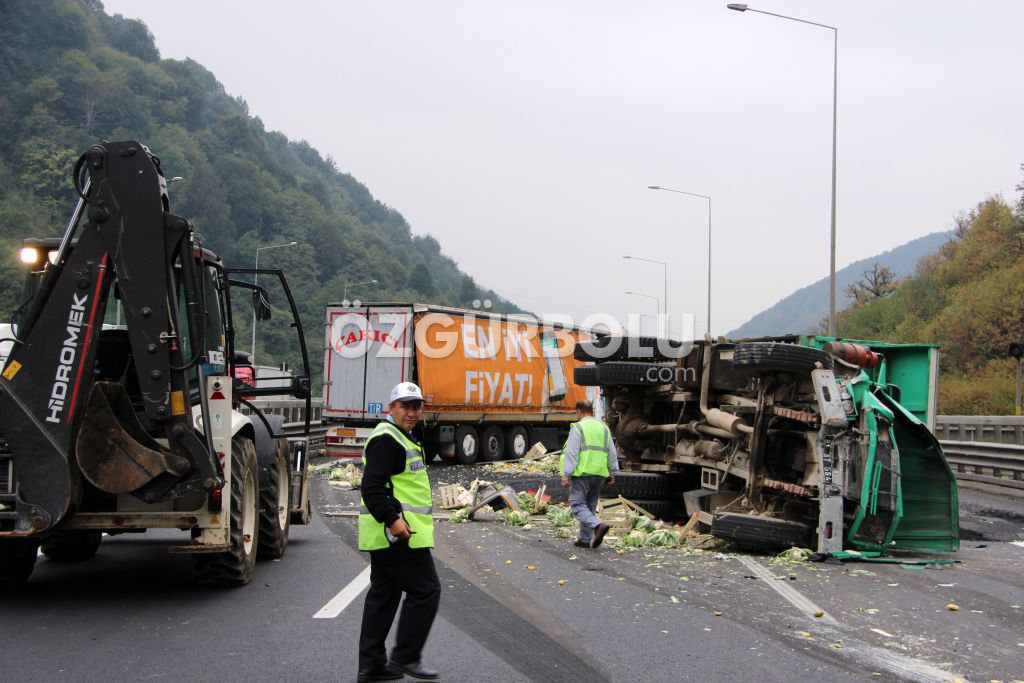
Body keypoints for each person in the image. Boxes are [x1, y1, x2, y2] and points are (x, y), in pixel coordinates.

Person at [357, 382, 440, 683]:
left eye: (416, 406)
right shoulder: (388, 439)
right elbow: (372, 486)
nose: (412, 412)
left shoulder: (402, 437)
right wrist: (393, 520)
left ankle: (371, 667)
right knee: (426, 590)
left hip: (388, 534)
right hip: (397, 534)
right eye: (405, 406)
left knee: (384, 597)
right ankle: (406, 656)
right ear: (391, 408)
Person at [560, 399, 619, 548]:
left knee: (577, 505)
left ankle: (598, 525)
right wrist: (612, 472)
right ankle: (585, 539)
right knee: (590, 506)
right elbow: (611, 451)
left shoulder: (578, 427)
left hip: (583, 472)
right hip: (600, 474)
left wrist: (566, 473)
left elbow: (572, 453)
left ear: (579, 411)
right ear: (592, 411)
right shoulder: (604, 428)